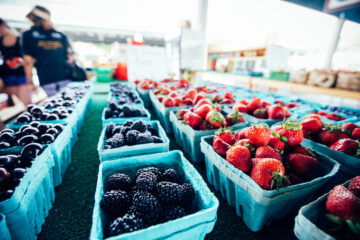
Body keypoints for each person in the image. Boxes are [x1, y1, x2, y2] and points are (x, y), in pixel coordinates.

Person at [22, 5, 75, 97]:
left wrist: (30, 82)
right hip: (66, 77)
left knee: (57, 106)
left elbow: (28, 62)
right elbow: (71, 57)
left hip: (46, 79)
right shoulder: (61, 35)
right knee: (69, 104)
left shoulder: (28, 35)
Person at [0, 18, 32, 105]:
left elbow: (29, 61)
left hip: (21, 74)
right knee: (20, 104)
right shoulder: (0, 40)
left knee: (27, 104)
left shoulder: (20, 39)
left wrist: (20, 63)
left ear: (3, 25)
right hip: (7, 75)